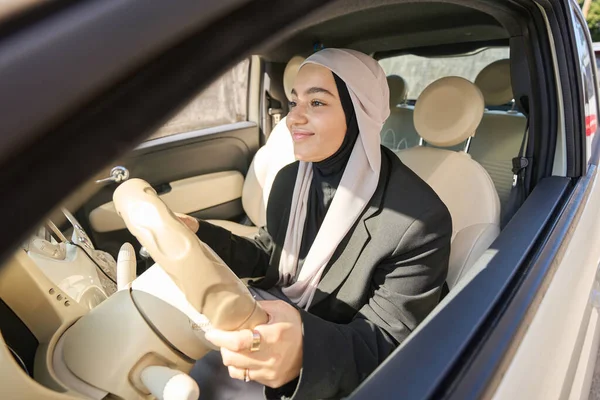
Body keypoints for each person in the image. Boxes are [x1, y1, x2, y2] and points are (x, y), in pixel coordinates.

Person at [180, 48, 452, 400]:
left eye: (317, 103)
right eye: (294, 102)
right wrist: (200, 235)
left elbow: (386, 342)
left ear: (360, 113)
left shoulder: (417, 221)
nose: (293, 118)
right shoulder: (291, 178)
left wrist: (302, 352)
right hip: (262, 321)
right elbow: (272, 253)